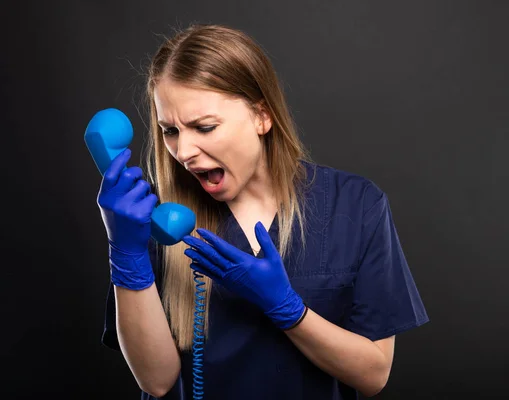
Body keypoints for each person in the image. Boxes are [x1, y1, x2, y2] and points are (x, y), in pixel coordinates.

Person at [98, 23, 430, 400]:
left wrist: (288, 310)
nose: (184, 151)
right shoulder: (155, 217)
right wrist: (126, 254)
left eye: (204, 127)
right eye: (170, 131)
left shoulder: (356, 205)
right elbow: (157, 381)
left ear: (261, 116)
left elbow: (373, 376)